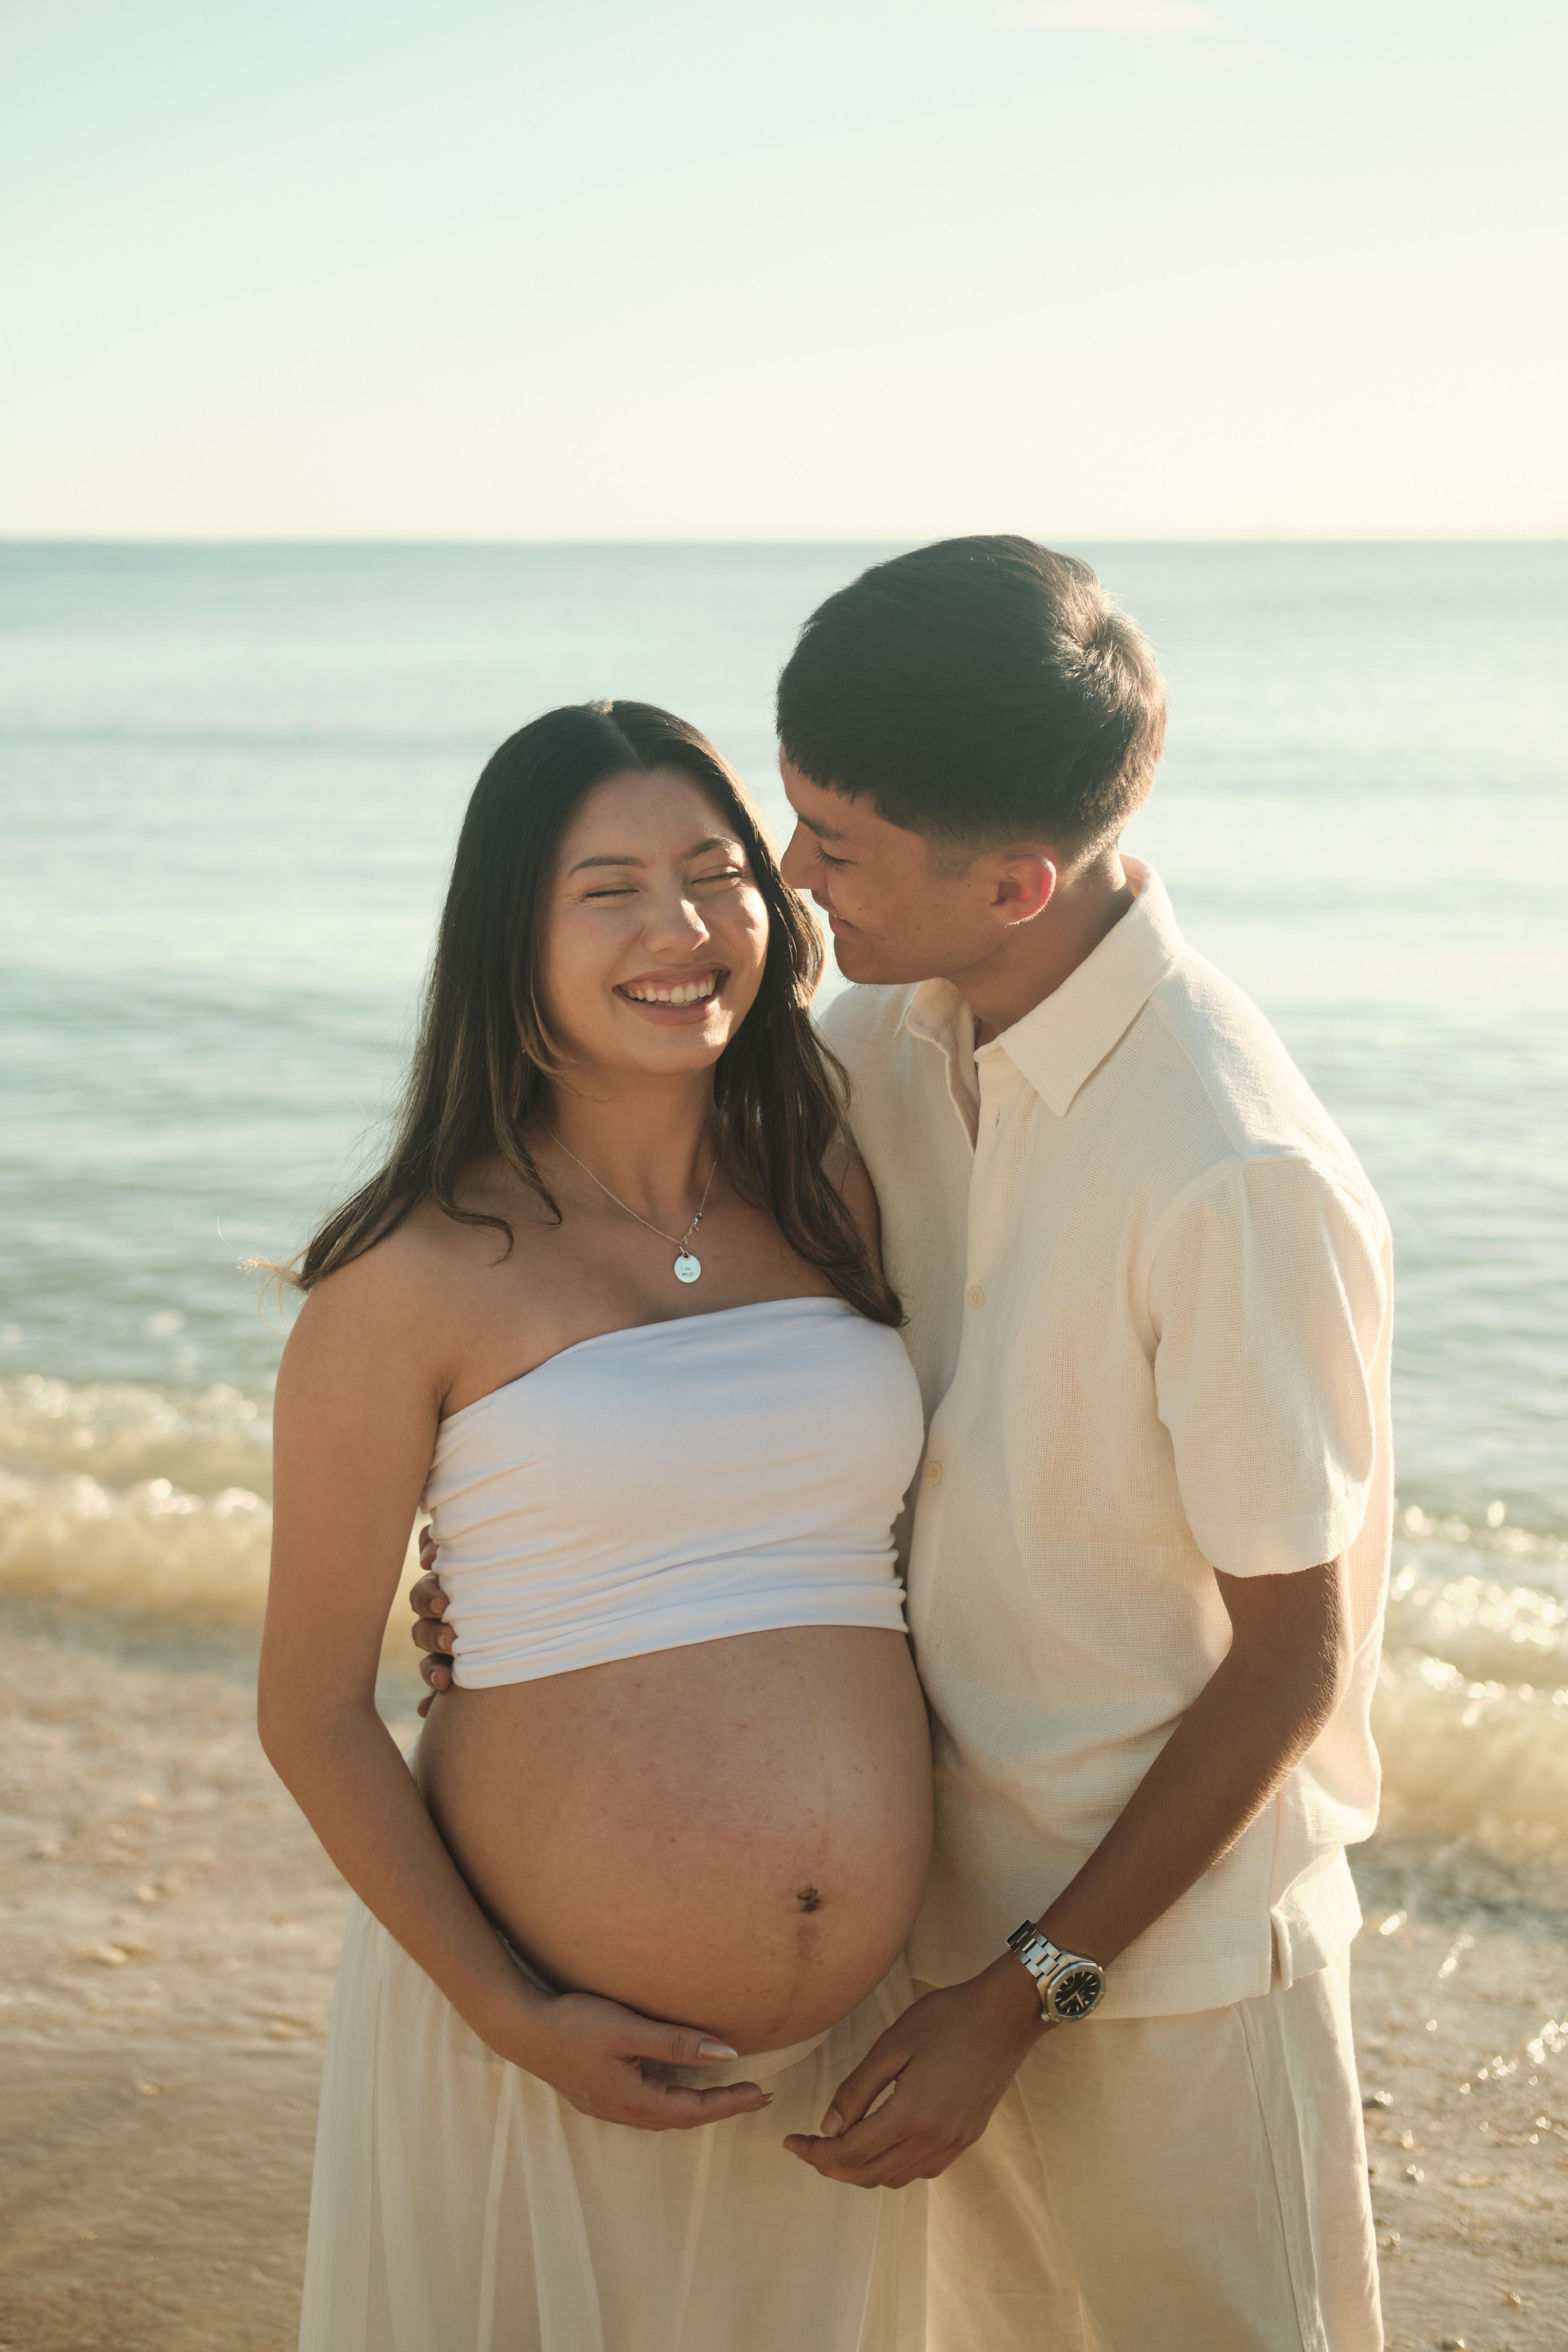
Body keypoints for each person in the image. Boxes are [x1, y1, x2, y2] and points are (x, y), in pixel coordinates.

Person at [407, 538, 1394, 2350]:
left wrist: (1023, 1997)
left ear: (1017, 879)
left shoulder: (1231, 1176)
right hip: (923, 1953)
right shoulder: (879, 1048)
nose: (788, 876)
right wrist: (524, 1565)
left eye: (832, 845)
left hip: (1158, 1985)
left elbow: (1293, 1664)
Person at [259, 700, 934, 2352]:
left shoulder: (845, 1189)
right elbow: (313, 1710)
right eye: (610, 888)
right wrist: (515, 2015)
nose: (682, 930)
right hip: (543, 2054)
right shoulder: (408, 1277)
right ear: (514, 934)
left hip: (840, 2071)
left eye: (717, 875)